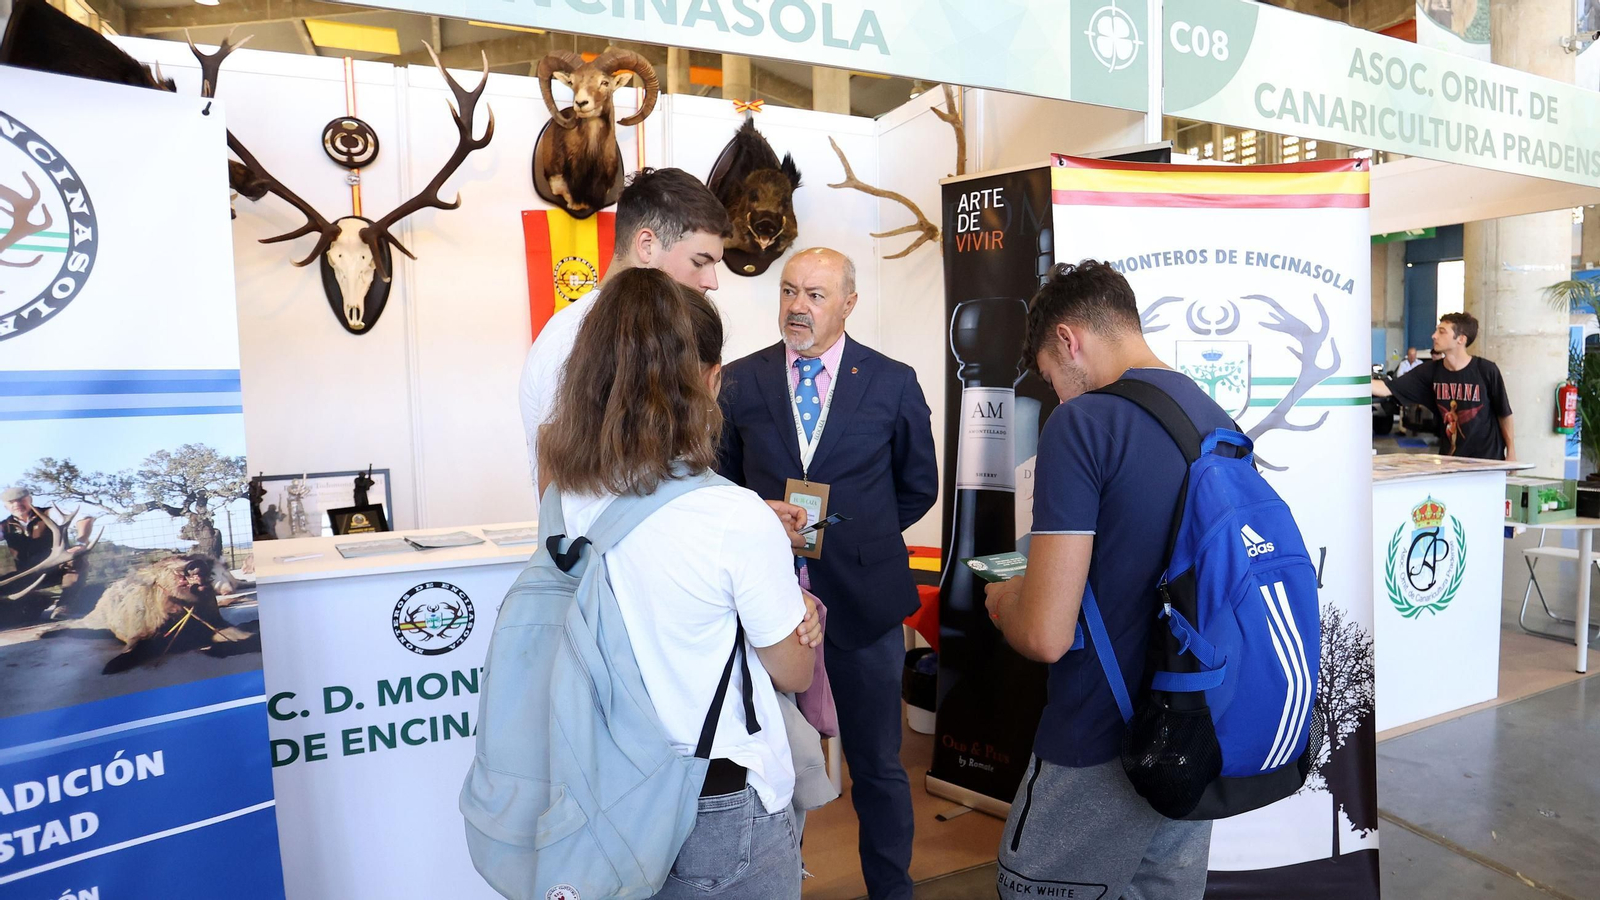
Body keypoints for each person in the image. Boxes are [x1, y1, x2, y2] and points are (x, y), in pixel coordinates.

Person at [538, 267, 821, 899]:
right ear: (711, 381)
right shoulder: (732, 517)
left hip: (598, 780)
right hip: (711, 801)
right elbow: (793, 673)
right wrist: (796, 604)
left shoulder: (565, 495)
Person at [982, 261, 1228, 899]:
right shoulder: (1212, 418)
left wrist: (1010, 599)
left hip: (1096, 737)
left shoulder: (1084, 424)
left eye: (1049, 376)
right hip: (1189, 735)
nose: (1058, 395)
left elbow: (1044, 635)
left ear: (1068, 340)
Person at [716, 247, 938, 900]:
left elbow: (917, 485)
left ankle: (891, 889)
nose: (796, 306)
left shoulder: (892, 380)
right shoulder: (738, 380)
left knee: (877, 763)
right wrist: (762, 517)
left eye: (815, 295)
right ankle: (776, 884)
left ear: (848, 302)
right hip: (765, 603)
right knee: (770, 764)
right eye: (788, 292)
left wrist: (856, 537)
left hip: (864, 599)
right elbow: (722, 484)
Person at [519, 167, 729, 506]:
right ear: (646, 245)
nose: (712, 282)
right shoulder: (571, 338)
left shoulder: (660, 333)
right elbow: (554, 476)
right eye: (699, 261)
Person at [1372, 312, 1515, 460]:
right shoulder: (1430, 371)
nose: (1434, 336)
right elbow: (1387, 388)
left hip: (1488, 460)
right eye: (1436, 330)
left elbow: (1504, 413)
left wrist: (1511, 451)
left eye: (1442, 332)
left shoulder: (1486, 370)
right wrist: (1352, 380)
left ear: (1461, 339)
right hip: (1451, 460)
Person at [2, 486, 94, 619]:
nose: (17, 504)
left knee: (76, 559)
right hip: (26, 576)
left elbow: (85, 519)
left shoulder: (51, 514)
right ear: (5, 506)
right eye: (11, 502)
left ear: (30, 499)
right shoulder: (5, 526)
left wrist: (81, 543)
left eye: (21, 500)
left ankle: (64, 606)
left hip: (56, 569)